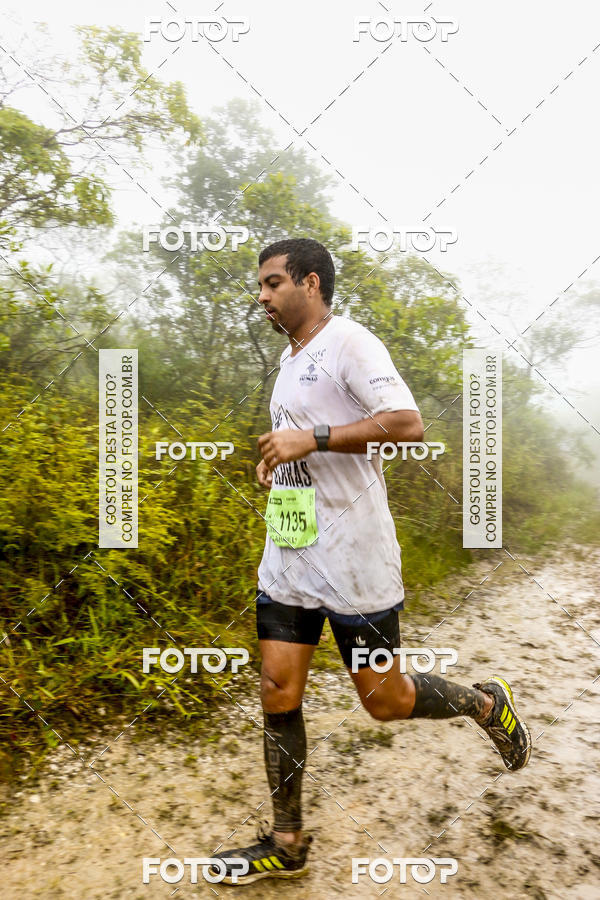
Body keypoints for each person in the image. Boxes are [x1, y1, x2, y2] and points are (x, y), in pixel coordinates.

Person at [212, 238, 530, 885]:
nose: (263, 295)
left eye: (274, 283)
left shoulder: (350, 343)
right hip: (291, 550)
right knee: (277, 688)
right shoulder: (289, 357)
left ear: (310, 281)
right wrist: (280, 461)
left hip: (355, 558)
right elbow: (303, 438)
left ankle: (484, 703)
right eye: (262, 285)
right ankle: (287, 842)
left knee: (384, 700)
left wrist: (316, 438)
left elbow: (407, 423)